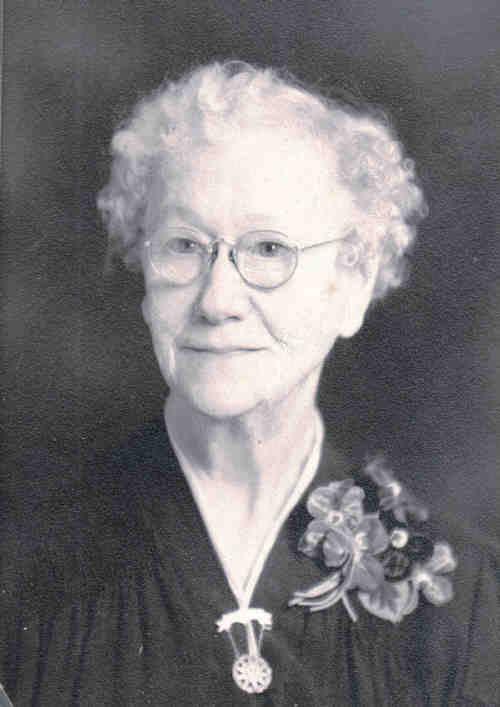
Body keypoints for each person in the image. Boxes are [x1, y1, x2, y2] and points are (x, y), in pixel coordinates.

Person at [1, 60, 499, 706]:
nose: (217, 300)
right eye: (183, 245)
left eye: (268, 249)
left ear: (351, 284)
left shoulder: (465, 608)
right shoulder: (22, 573)